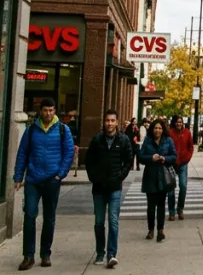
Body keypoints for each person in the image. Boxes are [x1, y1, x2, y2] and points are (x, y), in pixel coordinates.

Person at [13, 98, 75, 271]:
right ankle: (28, 256)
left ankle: (45, 254)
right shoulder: (31, 130)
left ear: (55, 111)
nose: (48, 113)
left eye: (51, 110)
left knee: (49, 218)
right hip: (33, 179)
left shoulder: (63, 129)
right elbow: (22, 153)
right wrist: (18, 177)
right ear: (40, 111)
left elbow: (69, 153)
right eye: (45, 110)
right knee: (29, 216)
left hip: (52, 180)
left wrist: (59, 175)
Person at [85, 109, 135, 268]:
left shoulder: (124, 140)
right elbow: (89, 161)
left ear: (117, 122)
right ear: (104, 122)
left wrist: (119, 176)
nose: (110, 124)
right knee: (99, 222)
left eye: (113, 121)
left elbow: (129, 160)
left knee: (113, 221)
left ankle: (112, 254)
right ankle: (100, 252)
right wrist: (94, 177)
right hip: (99, 188)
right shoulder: (97, 140)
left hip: (115, 187)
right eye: (107, 120)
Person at [138, 119, 176, 243]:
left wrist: (165, 158)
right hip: (150, 176)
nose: (157, 130)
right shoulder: (148, 141)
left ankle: (160, 230)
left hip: (163, 177)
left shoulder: (168, 140)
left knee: (161, 205)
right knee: (150, 206)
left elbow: (174, 156)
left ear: (163, 129)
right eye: (155, 128)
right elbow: (141, 157)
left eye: (159, 128)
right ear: (152, 129)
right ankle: (150, 229)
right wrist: (151, 158)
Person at [166, 116, 194, 221]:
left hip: (183, 163)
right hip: (172, 164)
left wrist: (187, 157)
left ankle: (180, 209)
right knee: (171, 190)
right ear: (174, 123)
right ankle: (171, 212)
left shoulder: (187, 133)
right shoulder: (170, 133)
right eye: (177, 122)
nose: (179, 124)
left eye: (181, 122)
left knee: (183, 187)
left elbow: (191, 147)